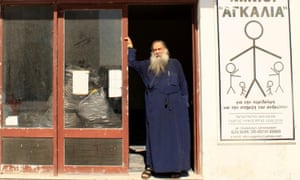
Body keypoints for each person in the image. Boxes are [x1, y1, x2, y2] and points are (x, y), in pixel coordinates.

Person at [125, 37, 191, 179]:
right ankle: (151, 166)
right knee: (155, 136)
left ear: (166, 50)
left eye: (159, 49)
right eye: (154, 50)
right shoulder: (146, 65)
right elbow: (131, 63)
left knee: (175, 137)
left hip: (176, 107)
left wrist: (185, 104)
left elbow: (183, 83)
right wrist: (130, 48)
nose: (157, 52)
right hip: (155, 106)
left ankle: (176, 168)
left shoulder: (175, 64)